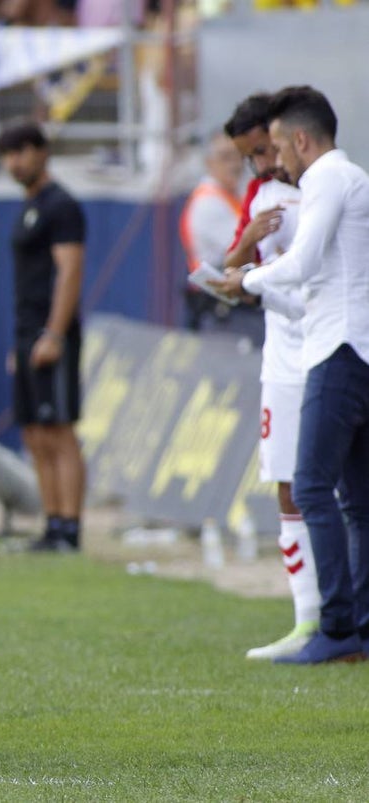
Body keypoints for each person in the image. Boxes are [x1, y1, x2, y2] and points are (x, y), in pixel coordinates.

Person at [211, 86, 369, 665]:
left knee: (308, 489)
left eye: (276, 146)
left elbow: (301, 264)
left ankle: (332, 628)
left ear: (301, 140)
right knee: (354, 499)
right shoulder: (353, 179)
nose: (273, 160)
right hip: (352, 348)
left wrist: (244, 280)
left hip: (334, 349)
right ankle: (355, 627)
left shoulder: (327, 179)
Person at [220, 93, 318, 661]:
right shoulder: (262, 195)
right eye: (252, 156)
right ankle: (308, 619)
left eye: (264, 149)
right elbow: (230, 268)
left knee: (336, 487)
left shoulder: (332, 184)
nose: (262, 164)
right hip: (283, 356)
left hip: (337, 347)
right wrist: (251, 238)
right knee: (287, 482)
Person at [0, 121, 86, 553]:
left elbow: (69, 272)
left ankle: (70, 528)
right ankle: (51, 526)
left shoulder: (61, 206)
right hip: (27, 332)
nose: (15, 162)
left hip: (53, 333)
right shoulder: (29, 206)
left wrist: (54, 332)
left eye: (22, 152)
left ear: (42, 153)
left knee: (59, 431)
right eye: (8, 154)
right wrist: (22, 342)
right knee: (33, 431)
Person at [178, 133, 251, 336]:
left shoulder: (233, 195)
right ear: (209, 162)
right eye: (226, 157)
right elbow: (245, 249)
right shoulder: (208, 203)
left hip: (233, 304)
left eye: (239, 156)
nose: (235, 164)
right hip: (221, 311)